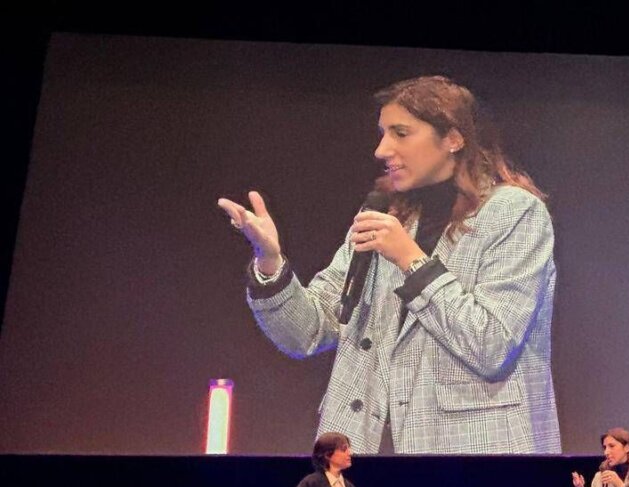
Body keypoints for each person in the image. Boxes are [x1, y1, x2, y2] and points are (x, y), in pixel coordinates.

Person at [218, 75, 560, 454]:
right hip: (361, 451)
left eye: (401, 133)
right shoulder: (387, 214)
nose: (382, 149)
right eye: (383, 134)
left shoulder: (514, 212)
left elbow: (491, 344)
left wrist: (410, 259)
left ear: (452, 138)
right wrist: (270, 262)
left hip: (468, 458)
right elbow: (309, 332)